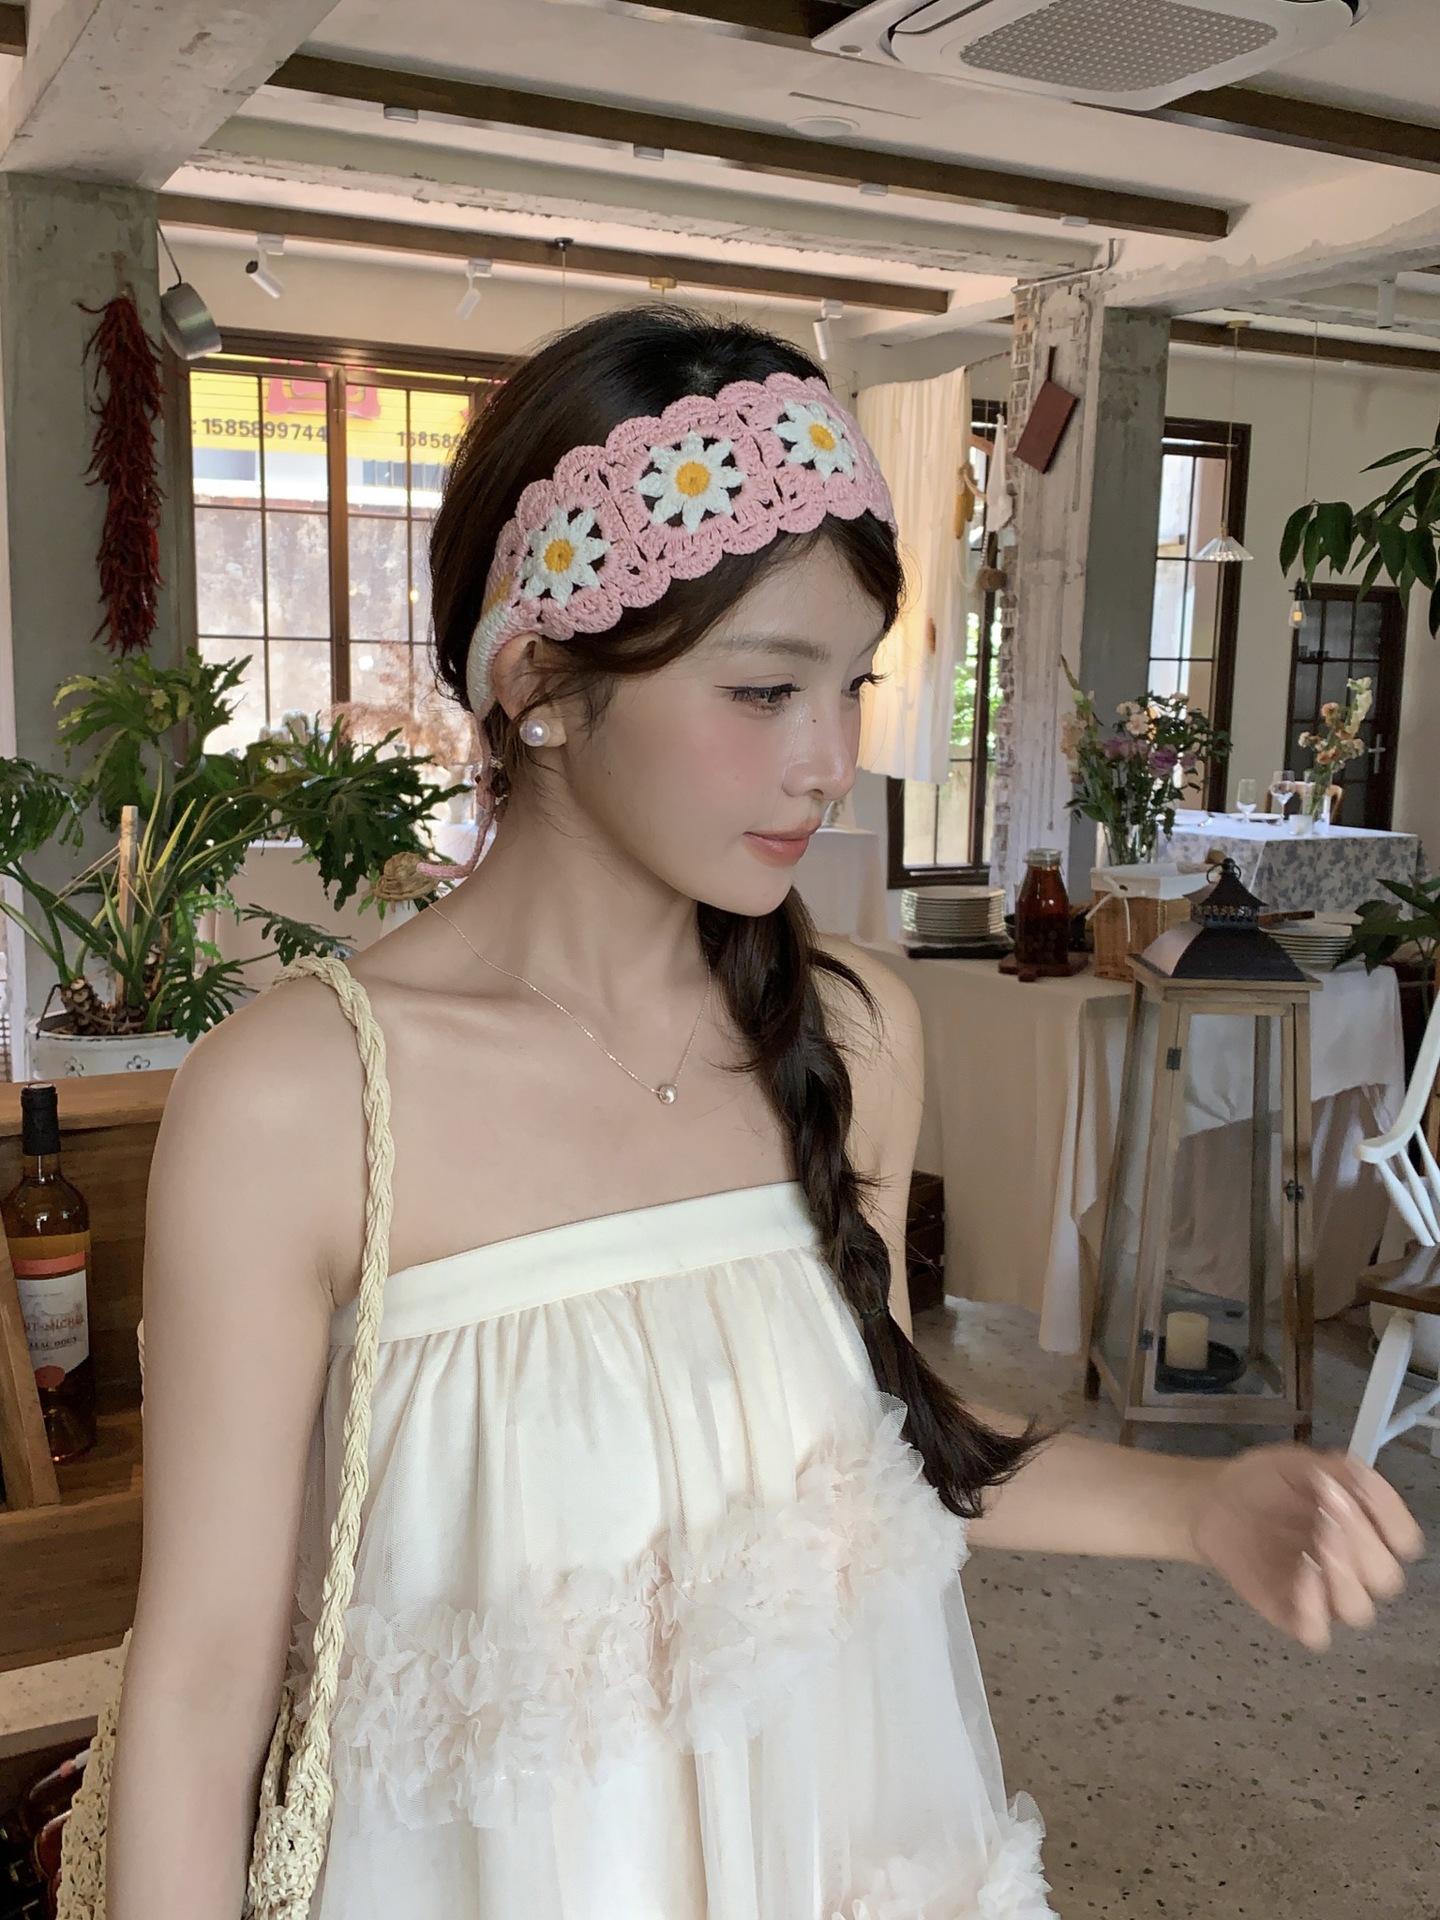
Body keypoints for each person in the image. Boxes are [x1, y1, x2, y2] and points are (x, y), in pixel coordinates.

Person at [107, 307, 1422, 1920]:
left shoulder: (851, 1033)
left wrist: (1201, 1506)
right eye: (763, 688)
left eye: (850, 684)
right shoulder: (300, 1103)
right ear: (538, 681)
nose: (828, 763)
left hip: (836, 1850)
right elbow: (201, 1690)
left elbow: (877, 1458)